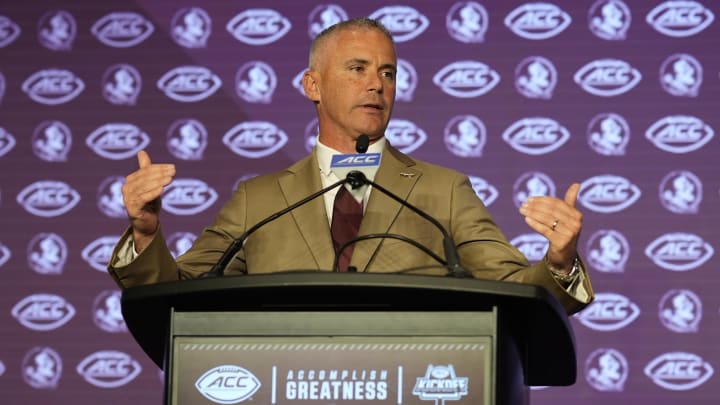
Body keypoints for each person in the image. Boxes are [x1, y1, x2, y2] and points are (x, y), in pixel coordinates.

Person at [108, 18, 593, 314]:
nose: (377, 85)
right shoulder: (258, 199)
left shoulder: (441, 190)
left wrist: (558, 262)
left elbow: (515, 289)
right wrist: (147, 232)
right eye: (357, 69)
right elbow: (178, 295)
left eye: (387, 73)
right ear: (312, 85)